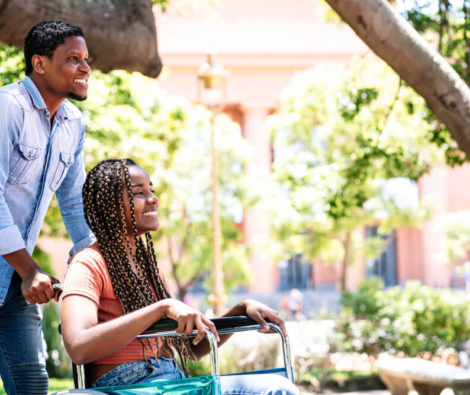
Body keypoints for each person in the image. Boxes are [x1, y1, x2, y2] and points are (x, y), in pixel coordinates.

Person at [61, 159, 299, 395]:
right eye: (139, 193)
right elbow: (78, 346)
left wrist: (240, 310)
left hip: (173, 380)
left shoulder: (149, 269)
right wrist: (162, 308)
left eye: (151, 190)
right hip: (129, 385)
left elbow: (190, 350)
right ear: (109, 206)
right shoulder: (88, 263)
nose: (153, 199)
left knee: (278, 389)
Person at [0, 21, 94, 395]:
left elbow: (75, 203)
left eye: (86, 59)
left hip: (16, 283)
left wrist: (93, 268)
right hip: (23, 272)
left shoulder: (73, 122)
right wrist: (29, 269)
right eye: (73, 59)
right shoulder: (9, 107)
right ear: (39, 64)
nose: (85, 68)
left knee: (32, 387)